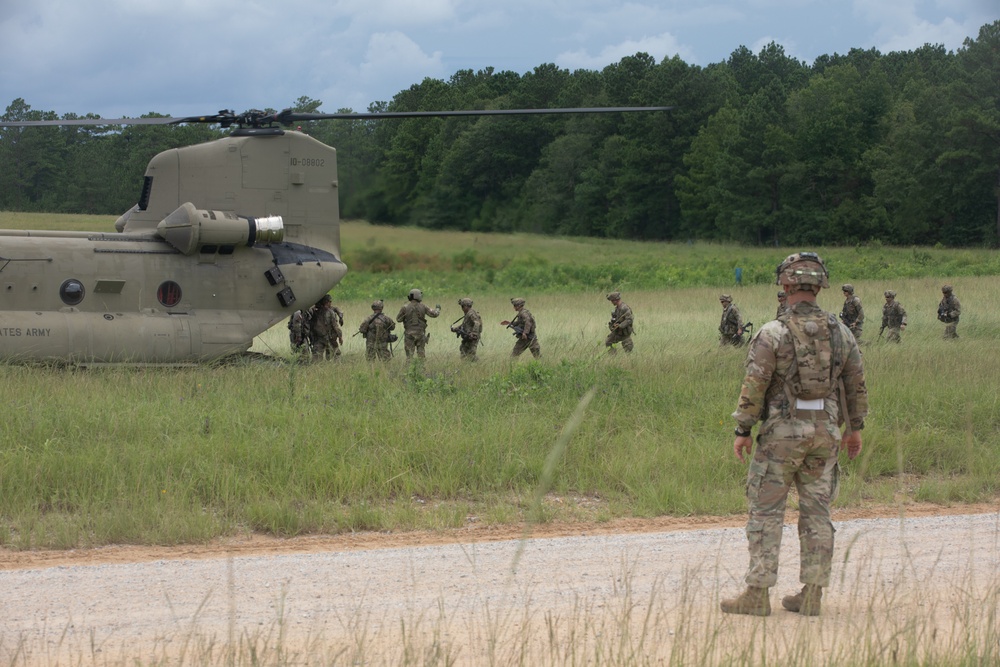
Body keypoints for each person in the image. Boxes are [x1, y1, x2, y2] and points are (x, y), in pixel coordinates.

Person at [723, 252, 868, 618]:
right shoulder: (842, 332)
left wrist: (743, 429)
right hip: (826, 433)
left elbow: (755, 384)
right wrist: (855, 429)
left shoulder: (773, 332)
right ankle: (812, 594)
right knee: (818, 513)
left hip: (782, 435)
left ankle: (757, 594)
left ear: (785, 286)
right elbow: (856, 385)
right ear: (819, 286)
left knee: (766, 510)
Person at [396, 288, 440, 359]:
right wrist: (438, 309)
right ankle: (421, 368)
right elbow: (434, 314)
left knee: (409, 356)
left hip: (409, 334)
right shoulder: (423, 306)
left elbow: (398, 319)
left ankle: (410, 369)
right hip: (420, 334)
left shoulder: (405, 307)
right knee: (421, 354)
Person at [310, 294, 343, 361]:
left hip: (318, 338)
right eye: (330, 301)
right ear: (327, 302)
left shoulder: (315, 312)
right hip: (329, 338)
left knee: (316, 358)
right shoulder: (330, 312)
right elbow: (335, 326)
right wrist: (340, 337)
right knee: (336, 354)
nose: (331, 303)